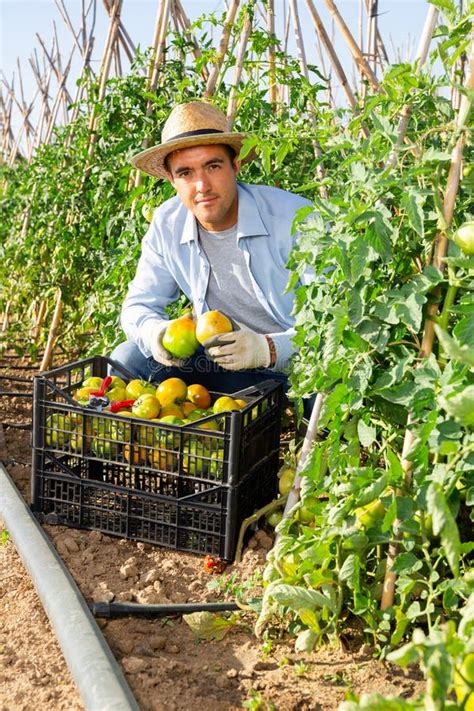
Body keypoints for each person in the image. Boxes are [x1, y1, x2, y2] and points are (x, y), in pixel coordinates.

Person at [110, 100, 314, 411]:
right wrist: (158, 335)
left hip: (291, 368)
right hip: (218, 365)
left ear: (236, 166)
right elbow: (138, 305)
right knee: (128, 360)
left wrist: (269, 348)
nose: (202, 185)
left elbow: (333, 321)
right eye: (186, 173)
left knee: (326, 393)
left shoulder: (293, 219)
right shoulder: (167, 224)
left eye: (213, 166)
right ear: (171, 180)